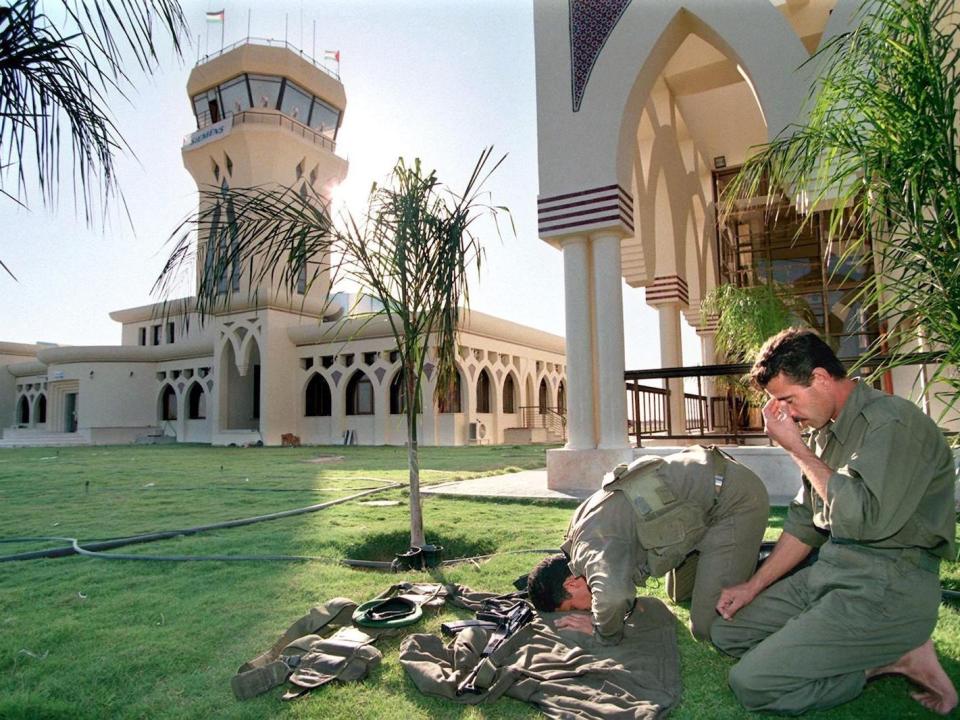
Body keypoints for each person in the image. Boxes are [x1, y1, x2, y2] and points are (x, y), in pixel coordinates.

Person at [710, 327, 958, 715]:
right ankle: (838, 639)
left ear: (822, 378)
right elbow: (805, 523)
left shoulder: (891, 422)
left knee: (751, 684)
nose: (788, 414)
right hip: (832, 571)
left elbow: (865, 520)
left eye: (788, 399)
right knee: (725, 631)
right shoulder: (824, 433)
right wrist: (752, 586)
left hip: (888, 587)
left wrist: (795, 449)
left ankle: (893, 660)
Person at [527, 445, 769, 643]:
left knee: (708, 627)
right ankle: (737, 561)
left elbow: (614, 597)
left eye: (575, 607)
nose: (584, 611)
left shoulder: (592, 549)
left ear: (571, 583)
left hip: (733, 501)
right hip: (701, 509)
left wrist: (600, 630)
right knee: (679, 593)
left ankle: (768, 572)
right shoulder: (578, 534)